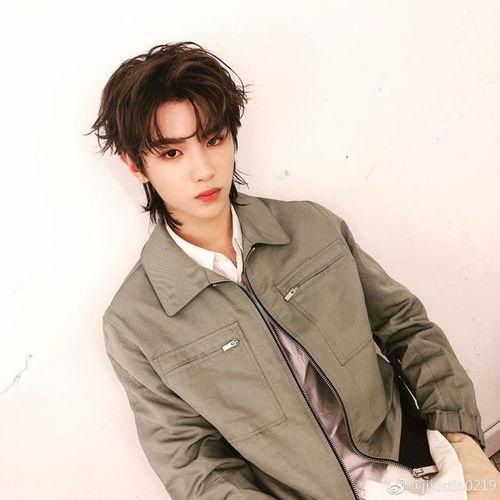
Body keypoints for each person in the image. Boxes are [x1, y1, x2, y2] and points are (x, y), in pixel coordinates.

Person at [87, 41, 499, 499]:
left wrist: (463, 444)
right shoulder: (135, 322)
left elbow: (407, 328)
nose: (203, 169)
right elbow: (193, 465)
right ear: (135, 165)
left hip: (425, 468)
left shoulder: (312, 228)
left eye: (213, 140)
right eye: (171, 153)